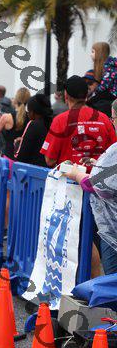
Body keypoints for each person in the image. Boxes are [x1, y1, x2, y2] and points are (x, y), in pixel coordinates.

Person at [64, 99, 117, 274]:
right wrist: (100, 166)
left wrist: (75, 174)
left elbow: (93, 184)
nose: (112, 122)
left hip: (113, 229)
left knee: (112, 278)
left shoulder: (115, 150)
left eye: (113, 118)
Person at [41, 76, 116, 169]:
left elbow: (50, 160)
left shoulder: (60, 120)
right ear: (86, 96)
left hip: (69, 177)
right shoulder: (104, 119)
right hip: (98, 177)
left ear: (66, 96)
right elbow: (113, 154)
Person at [14, 94, 50, 167]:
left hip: (33, 169)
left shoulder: (32, 124)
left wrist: (17, 145)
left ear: (32, 112)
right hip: (50, 169)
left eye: (28, 111)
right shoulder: (53, 122)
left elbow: (21, 156)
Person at [0, 87, 31, 162]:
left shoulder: (6, 117)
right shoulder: (32, 118)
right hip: (24, 160)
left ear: (15, 99)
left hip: (8, 157)